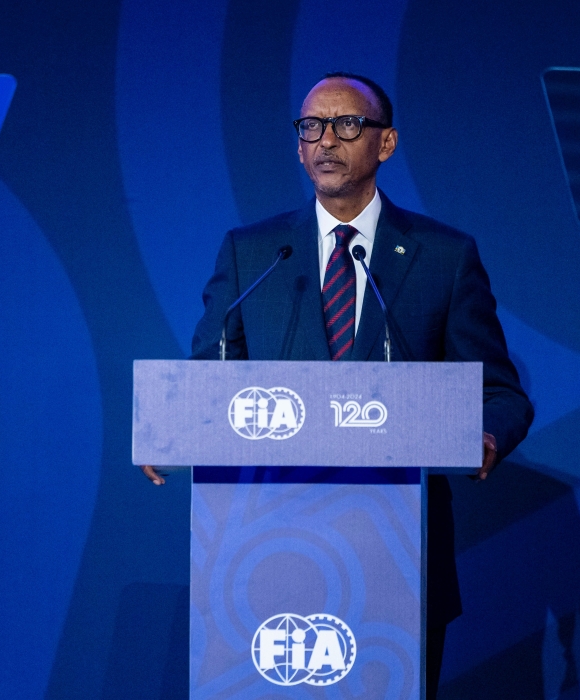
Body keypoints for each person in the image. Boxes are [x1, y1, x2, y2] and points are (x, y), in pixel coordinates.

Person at [140, 72, 533, 698]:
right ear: (299, 146)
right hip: (265, 544)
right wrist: (170, 427)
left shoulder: (442, 255)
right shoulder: (255, 253)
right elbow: (209, 379)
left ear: (386, 143)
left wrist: (484, 436)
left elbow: (502, 393)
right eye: (311, 127)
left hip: (397, 555)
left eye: (348, 124)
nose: (326, 140)